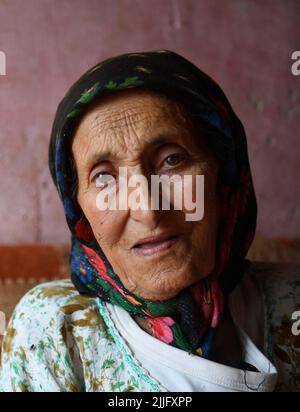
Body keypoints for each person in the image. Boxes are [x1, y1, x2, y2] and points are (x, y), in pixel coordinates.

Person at [0, 50, 299, 392]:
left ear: (225, 177)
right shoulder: (54, 329)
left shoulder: (292, 304)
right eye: (103, 177)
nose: (147, 210)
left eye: (172, 160)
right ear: (79, 212)